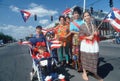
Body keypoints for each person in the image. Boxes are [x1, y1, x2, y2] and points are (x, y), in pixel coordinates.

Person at [79, 11, 103, 81]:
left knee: (94, 59)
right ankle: (84, 73)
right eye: (85, 16)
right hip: (85, 45)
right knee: (85, 58)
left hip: (93, 45)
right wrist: (87, 37)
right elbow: (80, 36)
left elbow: (98, 34)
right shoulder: (82, 25)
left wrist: (97, 33)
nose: (87, 17)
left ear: (90, 16)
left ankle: (95, 73)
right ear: (83, 17)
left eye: (88, 15)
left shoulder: (94, 25)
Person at [66, 6, 84, 71]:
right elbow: (71, 31)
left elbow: (84, 30)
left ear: (79, 14)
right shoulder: (72, 23)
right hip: (75, 38)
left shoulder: (83, 21)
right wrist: (79, 32)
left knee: (82, 52)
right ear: (73, 14)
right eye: (74, 13)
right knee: (75, 52)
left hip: (82, 38)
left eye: (77, 13)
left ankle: (82, 65)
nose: (76, 14)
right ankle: (76, 64)